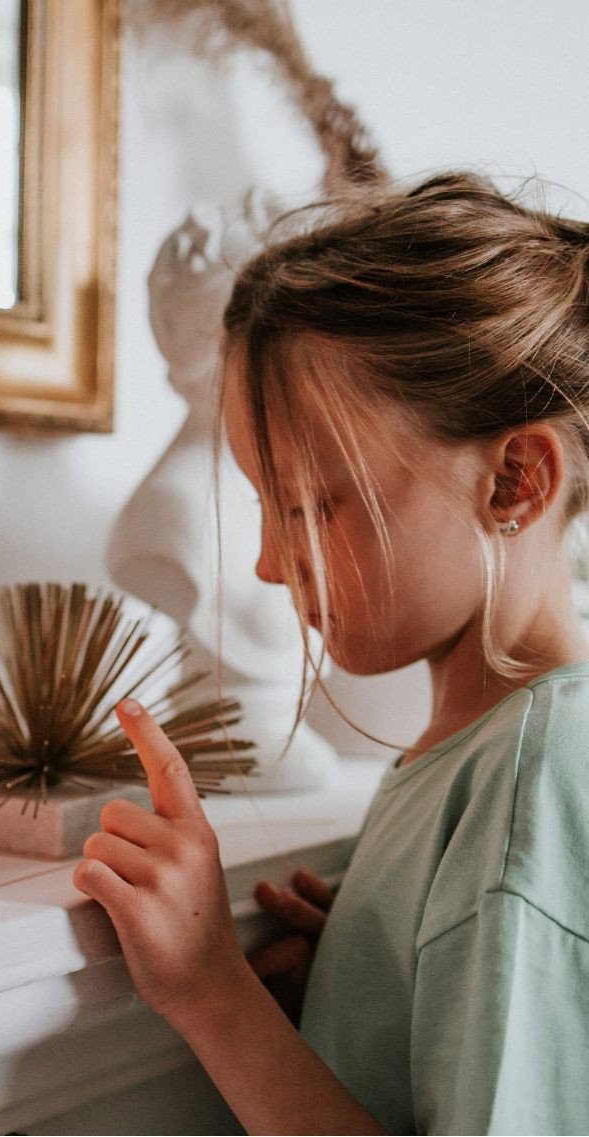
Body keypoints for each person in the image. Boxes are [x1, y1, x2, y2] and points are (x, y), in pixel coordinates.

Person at [73, 171, 589, 1135]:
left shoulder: (531, 774)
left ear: (514, 479)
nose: (269, 562)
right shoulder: (483, 753)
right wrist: (371, 983)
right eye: (261, 505)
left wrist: (212, 994)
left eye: (309, 504)